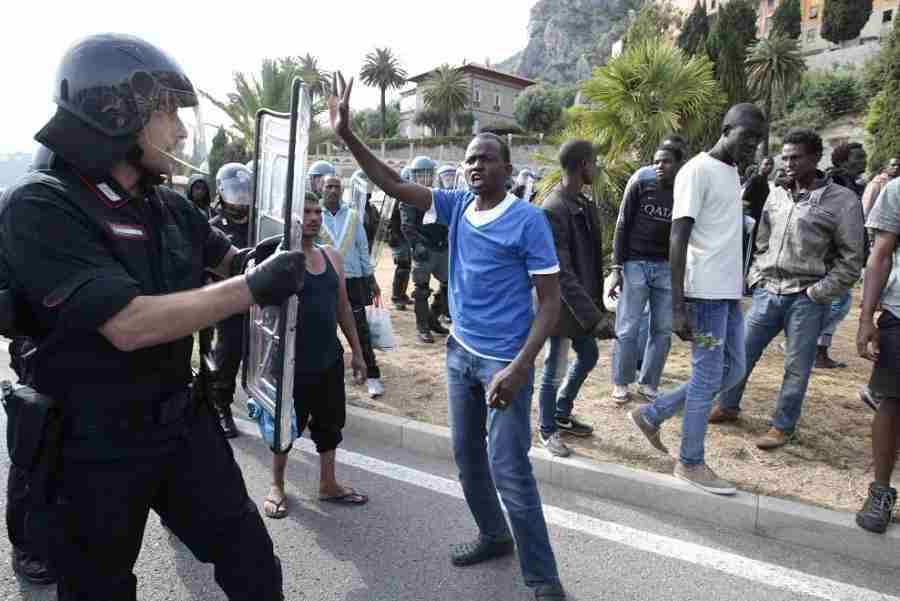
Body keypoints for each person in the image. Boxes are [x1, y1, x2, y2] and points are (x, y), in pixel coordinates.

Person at [0, 33, 300, 599]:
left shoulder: (168, 204)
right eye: (168, 114)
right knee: (99, 588)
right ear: (116, 110)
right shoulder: (41, 205)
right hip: (90, 444)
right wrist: (252, 287)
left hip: (178, 423)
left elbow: (227, 263)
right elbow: (130, 324)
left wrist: (261, 261)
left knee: (253, 563)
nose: (181, 132)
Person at [330, 73, 567, 600]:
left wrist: (519, 366)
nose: (475, 165)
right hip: (460, 355)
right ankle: (493, 535)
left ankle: (544, 580)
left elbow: (550, 303)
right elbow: (392, 184)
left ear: (507, 167)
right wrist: (347, 135)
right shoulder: (457, 206)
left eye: (486, 157)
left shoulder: (529, 222)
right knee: (466, 458)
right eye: (470, 158)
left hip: (505, 363)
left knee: (510, 469)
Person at [628, 104, 766, 496]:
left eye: (757, 140)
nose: (752, 145)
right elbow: (678, 236)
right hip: (703, 295)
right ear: (726, 129)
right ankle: (690, 461)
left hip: (727, 295)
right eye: (746, 137)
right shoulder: (697, 170)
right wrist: (677, 304)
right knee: (708, 375)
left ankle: (653, 414)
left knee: (734, 368)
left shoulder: (732, 171)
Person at [708, 129, 865, 449]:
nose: (789, 163)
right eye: (786, 157)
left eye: (796, 157)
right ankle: (727, 405)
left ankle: (782, 425)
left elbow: (852, 259)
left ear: (815, 159)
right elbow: (761, 240)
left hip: (807, 297)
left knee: (796, 366)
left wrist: (818, 293)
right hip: (768, 290)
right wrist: (756, 277)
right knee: (741, 353)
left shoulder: (842, 201)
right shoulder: (776, 194)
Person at [263, 193, 369, 519]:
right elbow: (263, 314)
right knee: (285, 427)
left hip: (328, 359)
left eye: (317, 211)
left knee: (330, 423)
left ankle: (328, 483)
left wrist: (358, 353)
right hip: (292, 363)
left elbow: (342, 308)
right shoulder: (280, 259)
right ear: (291, 218)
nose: (313, 217)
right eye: (305, 212)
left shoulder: (332, 256)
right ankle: (277, 485)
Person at [537, 140, 616, 458]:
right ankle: (546, 429)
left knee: (588, 356)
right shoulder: (553, 209)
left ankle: (561, 411)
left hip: (582, 306)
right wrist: (594, 317)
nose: (597, 168)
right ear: (583, 164)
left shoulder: (583, 203)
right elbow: (561, 274)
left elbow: (590, 262)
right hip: (559, 307)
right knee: (553, 369)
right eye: (594, 162)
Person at [609, 145, 681, 405]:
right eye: (656, 161)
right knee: (627, 327)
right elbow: (622, 222)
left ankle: (649, 383)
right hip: (635, 264)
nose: (660, 166)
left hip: (665, 268)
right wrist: (617, 268)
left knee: (662, 330)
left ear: (679, 164)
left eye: (666, 161)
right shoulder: (641, 180)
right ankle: (620, 381)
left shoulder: (685, 189)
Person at [856, 177, 900, 533]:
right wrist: (865, 317)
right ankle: (881, 492)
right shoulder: (897, 190)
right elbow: (880, 255)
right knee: (892, 403)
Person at [319, 174, 385, 398]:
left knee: (360, 329)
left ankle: (372, 376)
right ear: (321, 188)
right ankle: (330, 376)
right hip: (326, 278)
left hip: (354, 279)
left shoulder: (353, 215)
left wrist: (371, 278)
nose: (333, 191)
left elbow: (362, 248)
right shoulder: (314, 214)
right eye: (329, 186)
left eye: (337, 187)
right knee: (326, 329)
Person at [207, 162, 253, 438]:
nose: (240, 196)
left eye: (244, 190)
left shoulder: (261, 220)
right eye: (235, 190)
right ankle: (222, 408)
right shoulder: (214, 227)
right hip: (230, 300)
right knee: (228, 354)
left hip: (261, 299)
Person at [814, 142, 868, 369]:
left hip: (842, 252)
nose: (863, 160)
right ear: (843, 160)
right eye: (858, 157)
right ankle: (807, 344)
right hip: (830, 254)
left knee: (836, 302)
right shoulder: (832, 181)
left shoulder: (850, 183)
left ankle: (817, 350)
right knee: (839, 301)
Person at [401, 155, 450, 343]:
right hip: (424, 250)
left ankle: (433, 318)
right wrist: (417, 245)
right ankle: (422, 328)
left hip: (442, 247)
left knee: (448, 285)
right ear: (414, 176)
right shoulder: (408, 198)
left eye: (427, 174)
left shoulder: (439, 194)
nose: (424, 178)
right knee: (421, 289)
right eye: (420, 175)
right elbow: (407, 225)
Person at [388, 166, 413, 310]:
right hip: (398, 236)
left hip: (405, 237)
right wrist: (396, 236)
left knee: (406, 266)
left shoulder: (409, 197)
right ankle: (397, 297)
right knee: (402, 267)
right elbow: (392, 220)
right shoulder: (398, 197)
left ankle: (401, 295)